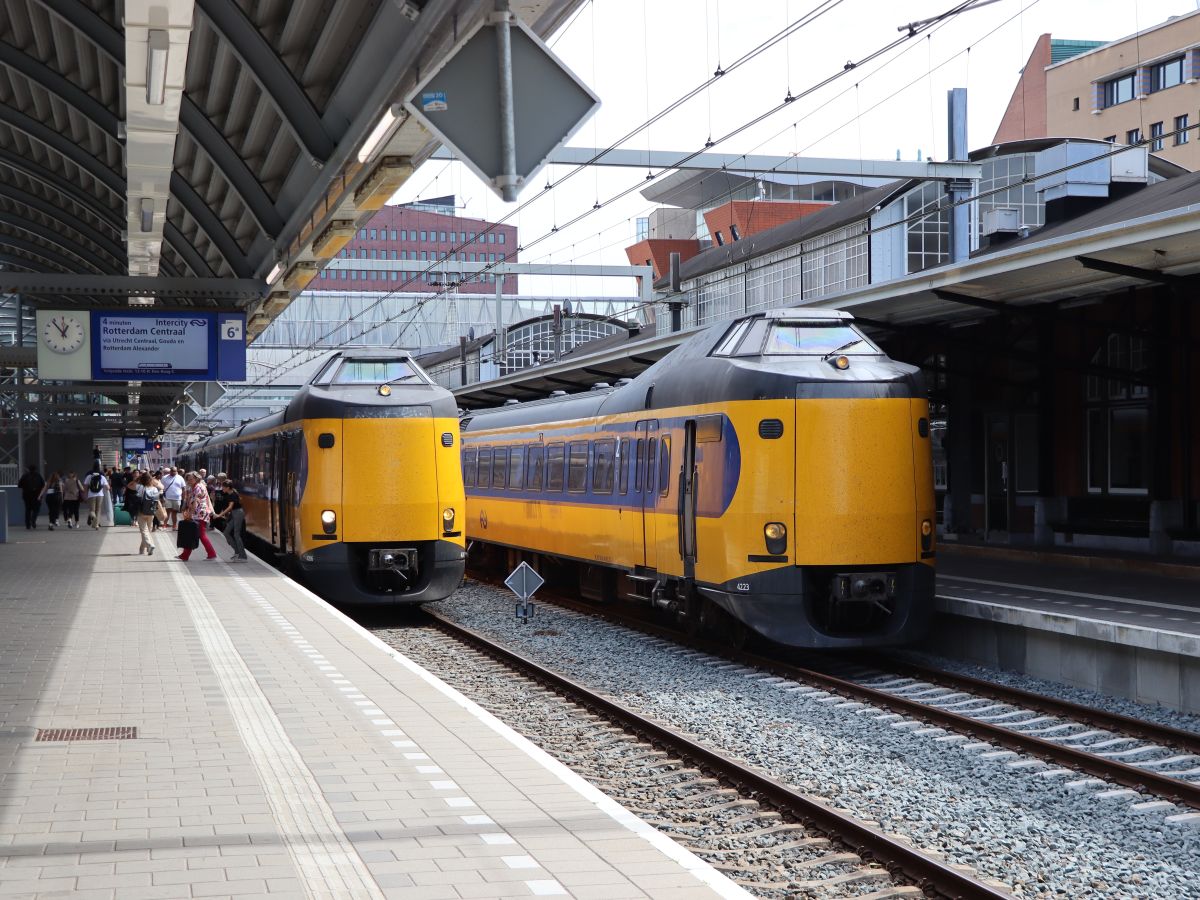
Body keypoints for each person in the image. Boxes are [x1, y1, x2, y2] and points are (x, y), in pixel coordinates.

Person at [177, 471, 217, 562]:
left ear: (196, 478)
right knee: (193, 534)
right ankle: (185, 555)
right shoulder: (194, 486)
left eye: (191, 479)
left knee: (201, 535)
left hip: (200, 514)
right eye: (188, 479)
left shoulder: (198, 487)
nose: (189, 481)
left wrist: (190, 514)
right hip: (198, 514)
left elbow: (196, 502)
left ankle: (212, 554)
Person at [211, 478, 247, 562]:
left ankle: (243, 556)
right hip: (234, 513)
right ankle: (237, 552)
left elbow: (230, 507)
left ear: (228, 487)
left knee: (236, 534)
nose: (222, 488)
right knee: (226, 532)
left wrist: (219, 515)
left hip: (238, 513)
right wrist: (213, 499)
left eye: (223, 487)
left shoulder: (233, 495)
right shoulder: (229, 493)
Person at [133, 472, 160, 555]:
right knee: (147, 532)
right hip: (151, 512)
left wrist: (138, 479)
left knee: (144, 531)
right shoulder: (155, 489)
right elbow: (161, 487)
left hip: (141, 512)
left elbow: (130, 485)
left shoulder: (139, 487)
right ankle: (142, 550)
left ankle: (150, 545)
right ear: (150, 479)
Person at [18, 465, 45, 530]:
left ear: (28, 469)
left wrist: (25, 487)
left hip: (27, 495)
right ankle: (33, 520)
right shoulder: (38, 476)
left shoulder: (24, 476)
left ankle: (28, 525)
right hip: (37, 495)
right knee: (36, 509)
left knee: (28, 510)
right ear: (35, 469)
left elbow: (19, 485)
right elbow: (43, 485)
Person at [84, 465, 108, 530]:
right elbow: (107, 487)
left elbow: (85, 487)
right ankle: (96, 524)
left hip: (91, 495)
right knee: (98, 510)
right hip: (100, 495)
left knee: (92, 510)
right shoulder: (102, 477)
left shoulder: (89, 476)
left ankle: (94, 518)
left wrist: (85, 495)